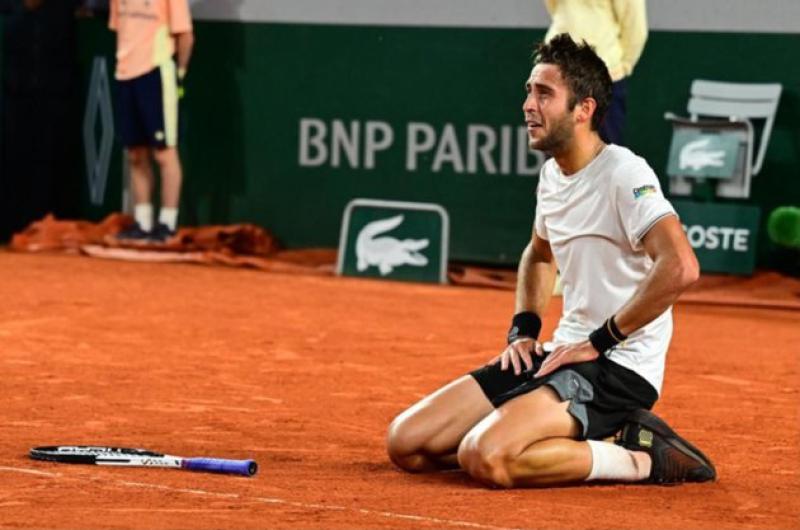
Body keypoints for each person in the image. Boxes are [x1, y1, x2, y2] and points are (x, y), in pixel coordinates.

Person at [386, 34, 716, 488]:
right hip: (564, 354)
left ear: (584, 109)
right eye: (528, 91)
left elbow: (681, 266)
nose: (528, 104)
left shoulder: (625, 173)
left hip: (619, 368)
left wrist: (601, 340)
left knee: (486, 457)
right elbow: (538, 255)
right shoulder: (553, 175)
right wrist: (523, 332)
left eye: (544, 93)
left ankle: (637, 455)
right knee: (408, 444)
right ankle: (541, 431)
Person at [109, 0, 194, 241]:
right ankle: (143, 222)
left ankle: (167, 224)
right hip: (125, 74)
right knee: (135, 153)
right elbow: (121, 31)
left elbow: (185, 36)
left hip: (156, 73)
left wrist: (179, 74)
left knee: (164, 153)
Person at [0, 0, 82, 242]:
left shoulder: (61, 12)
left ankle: (44, 228)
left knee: (48, 161)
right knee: (14, 158)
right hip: (16, 90)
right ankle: (11, 228)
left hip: (54, 92)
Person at [543, 0, 647, 146]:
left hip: (603, 74)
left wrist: (623, 66)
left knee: (604, 154)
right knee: (558, 150)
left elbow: (635, 27)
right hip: (559, 70)